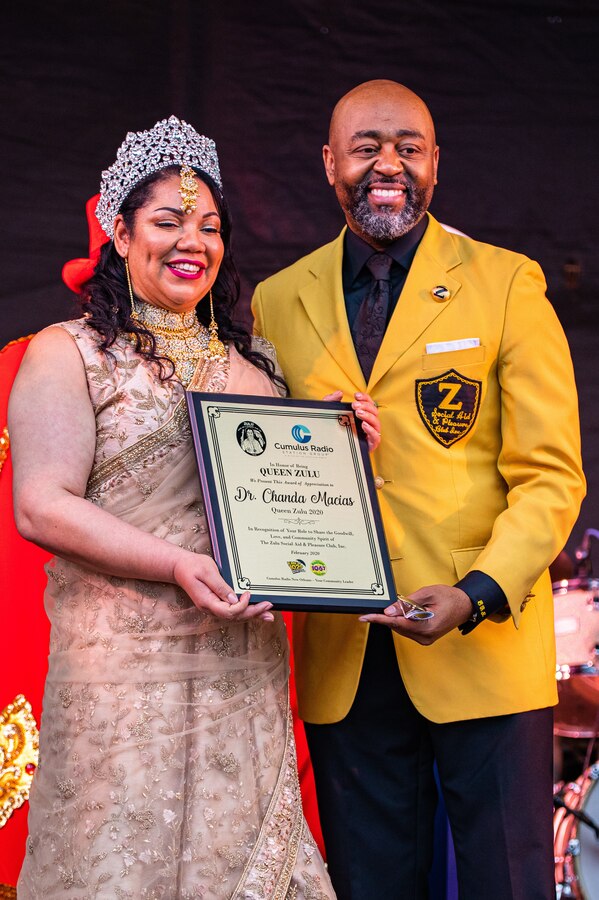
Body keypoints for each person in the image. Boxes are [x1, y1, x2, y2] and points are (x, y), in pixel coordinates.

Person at [9, 116, 380, 897]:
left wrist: (341, 454)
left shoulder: (256, 367)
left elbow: (284, 507)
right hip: (119, 685)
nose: (193, 242)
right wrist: (178, 564)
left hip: (237, 679)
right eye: (168, 220)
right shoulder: (65, 351)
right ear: (118, 230)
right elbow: (41, 507)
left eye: (209, 226)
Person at [252, 80, 586, 899]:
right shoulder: (276, 300)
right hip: (343, 651)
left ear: (436, 161)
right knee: (367, 886)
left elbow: (550, 477)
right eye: (366, 146)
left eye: (407, 146)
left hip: (482, 640)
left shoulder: (507, 283)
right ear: (329, 163)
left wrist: (475, 593)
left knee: (506, 885)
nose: (387, 164)